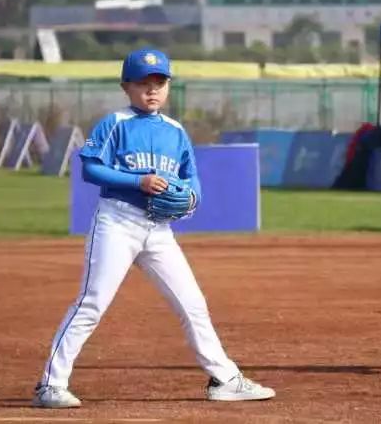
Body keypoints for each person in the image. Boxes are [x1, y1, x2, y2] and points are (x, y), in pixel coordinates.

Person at [32, 49, 275, 409]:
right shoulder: (114, 123)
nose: (152, 90)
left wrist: (191, 199)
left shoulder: (175, 131)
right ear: (126, 87)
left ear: (168, 87)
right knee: (92, 302)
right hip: (117, 222)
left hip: (159, 230)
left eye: (159, 83)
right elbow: (90, 169)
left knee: (192, 303)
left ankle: (225, 379)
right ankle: (51, 385)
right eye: (143, 83)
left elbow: (191, 177)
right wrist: (138, 181)